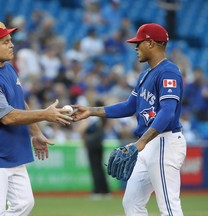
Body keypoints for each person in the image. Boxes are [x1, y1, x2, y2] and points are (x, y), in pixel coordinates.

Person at [72, 23, 186, 215]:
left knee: (169, 206)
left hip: (164, 142)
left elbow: (168, 112)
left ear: (150, 43)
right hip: (148, 144)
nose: (135, 47)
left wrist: (140, 143)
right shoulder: (145, 74)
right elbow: (128, 106)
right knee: (132, 202)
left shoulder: (168, 71)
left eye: (139, 43)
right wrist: (90, 111)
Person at [0, 20, 72, 216]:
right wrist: (45, 114)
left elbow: (19, 102)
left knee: (24, 204)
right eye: (4, 41)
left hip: (11, 152)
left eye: (10, 40)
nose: (11, 44)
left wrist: (36, 132)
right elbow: (8, 117)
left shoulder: (8, 68)